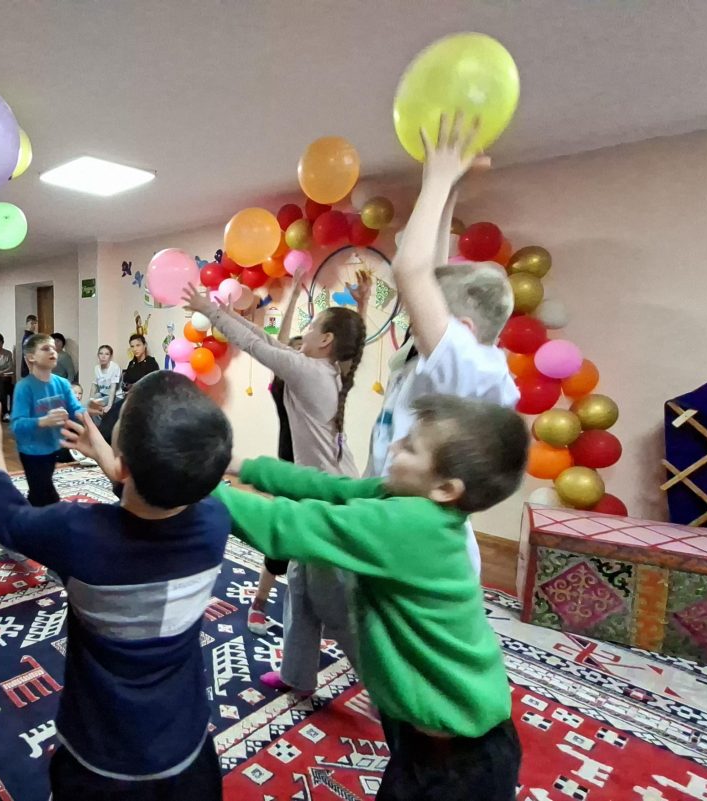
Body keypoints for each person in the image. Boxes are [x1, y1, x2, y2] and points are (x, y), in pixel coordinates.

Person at [213, 395, 528, 800]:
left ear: (446, 488)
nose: (393, 446)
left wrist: (194, 487)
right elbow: (329, 488)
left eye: (410, 447)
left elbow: (284, 526)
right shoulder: (407, 499)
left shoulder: (408, 525)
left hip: (458, 758)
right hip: (423, 729)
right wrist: (243, 466)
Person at [0, 370, 232, 800]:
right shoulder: (216, 523)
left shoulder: (76, 533)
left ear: (123, 464)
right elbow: (161, 505)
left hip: (98, 757)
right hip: (186, 751)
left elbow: (8, 518)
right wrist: (114, 463)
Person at [184, 281, 366, 696]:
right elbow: (266, 339)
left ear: (326, 341)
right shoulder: (326, 369)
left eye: (313, 324)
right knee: (299, 586)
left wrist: (208, 310)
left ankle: (385, 689)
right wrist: (361, 308)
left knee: (334, 603)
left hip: (328, 502)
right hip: (318, 494)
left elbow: (254, 344)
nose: (306, 328)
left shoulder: (311, 372)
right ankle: (297, 675)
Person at [368, 113, 520, 582]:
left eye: (430, 313)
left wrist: (436, 177)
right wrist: (449, 190)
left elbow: (410, 271)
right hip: (400, 519)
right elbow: (429, 270)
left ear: (463, 329)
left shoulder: (472, 372)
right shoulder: (456, 362)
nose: (417, 315)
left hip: (423, 548)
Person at [247, 334, 303, 634]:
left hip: (316, 475)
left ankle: (312, 609)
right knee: (280, 543)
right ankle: (258, 603)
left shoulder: (322, 388)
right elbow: (274, 350)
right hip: (290, 474)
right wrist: (291, 305)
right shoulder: (283, 389)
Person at [10, 334, 86, 506]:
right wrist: (44, 421)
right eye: (45, 348)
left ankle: (33, 514)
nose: (53, 351)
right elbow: (16, 425)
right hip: (31, 451)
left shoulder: (63, 383)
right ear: (31, 357)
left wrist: (89, 411)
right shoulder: (24, 387)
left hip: (53, 446)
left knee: (40, 490)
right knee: (43, 492)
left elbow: (75, 410)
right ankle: (44, 516)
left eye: (53, 348)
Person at [99, 334, 159, 444]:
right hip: (129, 397)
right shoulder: (132, 363)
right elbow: (126, 380)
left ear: (144, 345)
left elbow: (152, 383)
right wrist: (127, 386)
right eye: (132, 346)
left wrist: (134, 386)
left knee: (117, 414)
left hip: (143, 399)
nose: (135, 349)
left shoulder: (151, 363)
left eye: (138, 345)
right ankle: (103, 441)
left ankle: (105, 442)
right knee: (110, 413)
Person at [91, 345, 121, 416]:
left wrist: (109, 406)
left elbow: (113, 388)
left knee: (95, 405)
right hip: (102, 394)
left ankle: (98, 423)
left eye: (107, 354)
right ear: (98, 355)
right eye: (101, 353)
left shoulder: (115, 367)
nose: (103, 356)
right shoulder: (96, 368)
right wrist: (90, 401)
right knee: (89, 405)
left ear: (110, 356)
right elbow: (94, 386)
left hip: (115, 396)